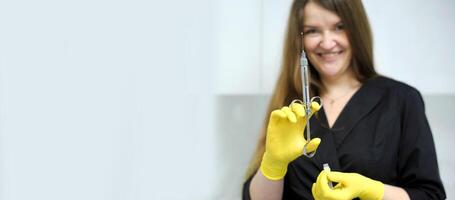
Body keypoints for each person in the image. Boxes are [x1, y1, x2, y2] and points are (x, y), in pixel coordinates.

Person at [242, 0, 446, 199]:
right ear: (300, 39)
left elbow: (429, 195)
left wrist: (373, 191)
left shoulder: (401, 100)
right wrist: (273, 165)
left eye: (339, 27)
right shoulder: (291, 107)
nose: (328, 42)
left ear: (357, 29)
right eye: (313, 30)